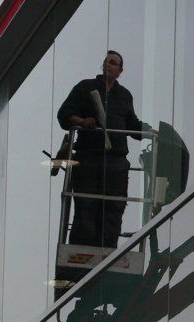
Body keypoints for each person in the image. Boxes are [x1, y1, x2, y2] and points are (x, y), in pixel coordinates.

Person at [57, 50, 148, 248]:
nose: (109, 65)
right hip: (89, 158)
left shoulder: (124, 95)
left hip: (116, 162)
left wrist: (151, 132)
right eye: (107, 61)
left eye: (113, 63)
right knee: (86, 207)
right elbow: (64, 114)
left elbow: (132, 125)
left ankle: (107, 253)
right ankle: (80, 252)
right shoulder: (86, 87)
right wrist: (82, 121)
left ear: (120, 70)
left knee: (113, 209)